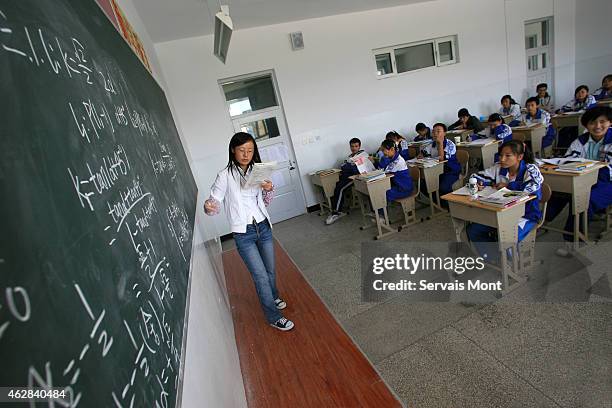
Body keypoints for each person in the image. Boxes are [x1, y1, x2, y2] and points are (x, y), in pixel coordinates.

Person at [204, 132, 294, 331]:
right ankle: (273, 316)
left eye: (250, 150)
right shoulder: (225, 175)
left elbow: (265, 201)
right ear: (233, 150)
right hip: (243, 233)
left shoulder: (258, 171)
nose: (246, 154)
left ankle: (274, 296)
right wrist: (209, 207)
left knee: (270, 270)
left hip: (263, 226)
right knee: (260, 275)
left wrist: (269, 188)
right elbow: (214, 202)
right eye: (242, 150)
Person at [545, 106, 612, 257]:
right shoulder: (580, 141)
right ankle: (541, 221)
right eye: (592, 122)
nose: (597, 126)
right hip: (583, 178)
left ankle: (574, 241)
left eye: (602, 122)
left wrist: (592, 172)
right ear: (586, 125)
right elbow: (569, 160)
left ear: (610, 122)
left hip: (608, 181)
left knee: (585, 200)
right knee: (559, 192)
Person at [466, 140, 543, 264]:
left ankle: (514, 267)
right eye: (501, 155)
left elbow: (533, 188)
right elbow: (475, 176)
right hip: (499, 212)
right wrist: (480, 183)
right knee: (473, 230)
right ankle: (495, 258)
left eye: (508, 156)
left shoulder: (530, 169)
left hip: (526, 215)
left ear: (520, 157)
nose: (502, 159)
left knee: (508, 236)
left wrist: (508, 185)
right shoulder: (498, 167)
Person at [325, 138, 364, 225]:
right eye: (352, 146)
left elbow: (357, 169)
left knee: (340, 189)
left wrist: (348, 166)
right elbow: (343, 166)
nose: (354, 148)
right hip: (346, 176)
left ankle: (336, 213)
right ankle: (335, 210)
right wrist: (348, 166)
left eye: (356, 146)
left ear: (359, 146)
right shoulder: (350, 157)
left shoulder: (362, 155)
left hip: (354, 177)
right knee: (334, 186)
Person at [419, 123, 461, 197]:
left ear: (444, 133)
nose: (435, 134)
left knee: (443, 187)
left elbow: (441, 159)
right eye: (433, 132)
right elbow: (422, 154)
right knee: (422, 185)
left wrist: (440, 143)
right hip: (436, 171)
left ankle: (448, 205)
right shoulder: (432, 144)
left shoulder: (450, 144)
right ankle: (438, 202)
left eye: (438, 131)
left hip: (450, 171)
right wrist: (421, 155)